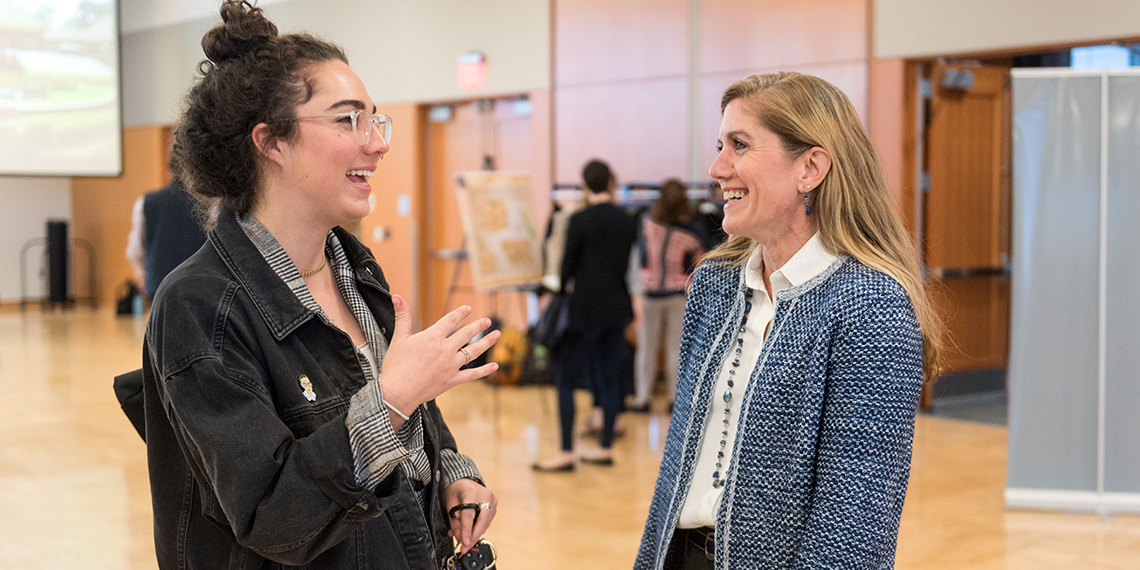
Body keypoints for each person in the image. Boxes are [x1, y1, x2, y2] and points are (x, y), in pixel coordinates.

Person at [141, 2, 500, 568]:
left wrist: (451, 477)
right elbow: (272, 516)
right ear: (271, 142)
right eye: (347, 119)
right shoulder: (200, 306)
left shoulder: (353, 269)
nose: (377, 142)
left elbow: (409, 426)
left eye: (375, 119)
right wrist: (393, 400)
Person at [634, 72, 943, 569]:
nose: (717, 168)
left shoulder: (870, 304)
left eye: (739, 145)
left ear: (810, 168)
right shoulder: (715, 283)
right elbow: (679, 465)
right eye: (720, 145)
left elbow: (856, 518)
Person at [532, 159, 636, 471]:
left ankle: (566, 450)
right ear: (611, 183)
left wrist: (558, 292)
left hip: (585, 310)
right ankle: (604, 445)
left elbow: (567, 268)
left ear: (585, 185)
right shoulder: (626, 220)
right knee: (608, 375)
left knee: (565, 377)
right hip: (617, 307)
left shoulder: (580, 220)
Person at [628, 179, 704, 413]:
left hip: (651, 294)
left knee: (646, 350)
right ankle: (674, 399)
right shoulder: (693, 230)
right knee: (677, 350)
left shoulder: (646, 224)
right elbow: (700, 263)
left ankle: (643, 399)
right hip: (679, 295)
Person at [125, 175, 207, 300]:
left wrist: (142, 276)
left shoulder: (146, 202)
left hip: (159, 283)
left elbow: (135, 249)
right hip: (201, 282)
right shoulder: (209, 202)